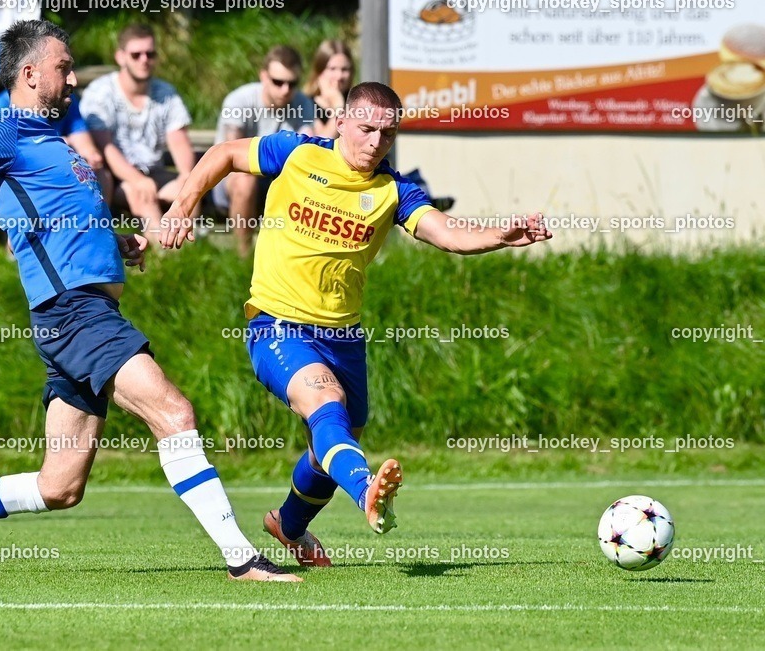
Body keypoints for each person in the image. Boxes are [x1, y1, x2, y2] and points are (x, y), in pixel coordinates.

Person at [0, 20, 299, 582]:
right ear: (29, 74)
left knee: (60, 487)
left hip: (85, 313)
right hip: (72, 313)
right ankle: (242, 558)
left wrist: (116, 243)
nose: (74, 77)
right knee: (174, 414)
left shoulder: (51, 138)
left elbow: (63, 219)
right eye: (64, 67)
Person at [160, 82, 552, 566]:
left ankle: (288, 526)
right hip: (277, 324)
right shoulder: (297, 152)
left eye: (387, 134)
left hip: (343, 336)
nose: (375, 142)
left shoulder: (393, 190)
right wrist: (183, 204)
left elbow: (445, 233)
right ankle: (368, 492)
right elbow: (223, 154)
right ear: (342, 120)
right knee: (328, 405)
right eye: (366, 128)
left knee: (337, 438)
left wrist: (499, 234)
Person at [81, 23, 194, 237]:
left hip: (155, 170)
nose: (144, 60)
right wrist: (137, 179)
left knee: (190, 189)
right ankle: (166, 254)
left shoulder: (166, 93)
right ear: (120, 56)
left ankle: (190, 250)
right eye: (136, 54)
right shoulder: (101, 92)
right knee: (140, 194)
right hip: (115, 175)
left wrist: (186, 178)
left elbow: (180, 143)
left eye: (150, 54)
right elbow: (104, 147)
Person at [213, 45, 315, 256]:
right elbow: (234, 158)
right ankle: (244, 257)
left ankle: (298, 257)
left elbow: (310, 152)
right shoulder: (239, 101)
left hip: (275, 179)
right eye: (278, 82)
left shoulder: (302, 103)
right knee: (245, 180)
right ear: (263, 76)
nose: (285, 90)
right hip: (229, 181)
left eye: (292, 83)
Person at [304, 40, 355, 138]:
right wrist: (338, 107)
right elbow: (322, 142)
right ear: (319, 71)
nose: (339, 76)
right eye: (332, 69)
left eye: (344, 69)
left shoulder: (356, 103)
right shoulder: (306, 104)